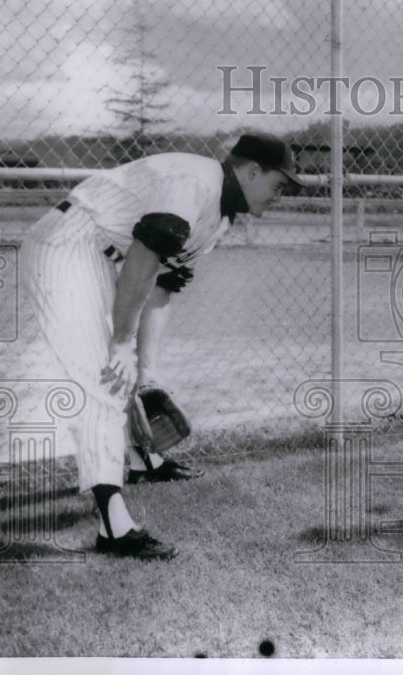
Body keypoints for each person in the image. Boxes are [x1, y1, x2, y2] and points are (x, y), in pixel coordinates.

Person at [20, 133, 303, 559]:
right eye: (279, 185)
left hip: (101, 256)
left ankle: (141, 462)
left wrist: (144, 370)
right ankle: (113, 529)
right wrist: (120, 344)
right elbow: (142, 260)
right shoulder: (195, 182)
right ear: (250, 171)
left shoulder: (220, 218)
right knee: (105, 378)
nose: (281, 196)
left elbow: (160, 289)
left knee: (124, 372)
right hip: (67, 246)